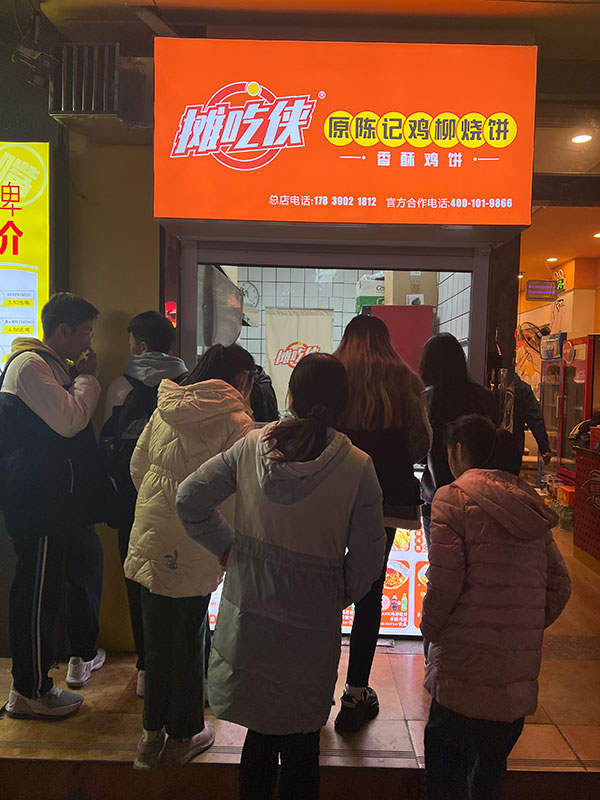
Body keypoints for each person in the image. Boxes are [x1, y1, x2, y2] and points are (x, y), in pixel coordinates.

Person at [176, 352, 387, 800]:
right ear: (345, 403)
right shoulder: (357, 467)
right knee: (302, 744)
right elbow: (369, 562)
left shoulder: (251, 446)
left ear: (291, 395)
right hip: (310, 637)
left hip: (249, 625)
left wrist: (229, 548)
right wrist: (333, 594)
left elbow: (189, 499)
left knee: (259, 737)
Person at [422, 414, 571, 800]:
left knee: (446, 775)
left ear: (458, 451)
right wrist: (520, 626)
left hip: (461, 673)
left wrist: (430, 629)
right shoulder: (528, 503)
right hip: (512, 682)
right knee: (490, 770)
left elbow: (445, 584)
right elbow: (561, 586)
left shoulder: (451, 498)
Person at [123, 343, 254, 770]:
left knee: (157, 639)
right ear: (242, 379)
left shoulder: (166, 406)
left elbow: (138, 467)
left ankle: (149, 739)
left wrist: (160, 508)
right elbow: (240, 494)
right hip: (197, 540)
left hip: (151, 531)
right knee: (188, 638)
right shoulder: (237, 422)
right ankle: (183, 735)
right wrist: (228, 542)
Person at [0, 292, 108, 719]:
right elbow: (69, 421)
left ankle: (35, 686)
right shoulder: (30, 366)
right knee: (35, 597)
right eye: (85, 332)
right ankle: (28, 691)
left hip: (49, 503)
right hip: (37, 504)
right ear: (62, 329)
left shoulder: (48, 365)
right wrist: (88, 380)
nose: (88, 341)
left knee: (44, 594)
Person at [332, 314, 431, 733]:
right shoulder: (405, 380)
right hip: (386, 497)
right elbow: (421, 444)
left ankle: (316, 688)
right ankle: (355, 694)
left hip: (333, 493)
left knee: (324, 584)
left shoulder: (333, 374)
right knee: (370, 589)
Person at [101, 311, 188, 697]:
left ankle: (146, 667)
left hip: (131, 502)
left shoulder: (120, 387)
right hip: (175, 499)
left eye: (131, 343)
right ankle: (181, 662)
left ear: (142, 345)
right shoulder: (187, 384)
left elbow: (107, 448)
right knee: (178, 578)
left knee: (136, 581)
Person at [419, 333, 498, 551]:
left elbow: (419, 448)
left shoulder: (426, 398)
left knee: (442, 561)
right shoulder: (483, 396)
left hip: (438, 496)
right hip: (480, 495)